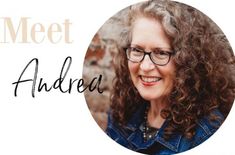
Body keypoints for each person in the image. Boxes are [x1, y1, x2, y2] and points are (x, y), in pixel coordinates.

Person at [105, 0, 235, 154]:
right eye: (137, 50)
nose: (145, 66)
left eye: (161, 53)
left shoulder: (206, 134)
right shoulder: (122, 113)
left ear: (188, 61)